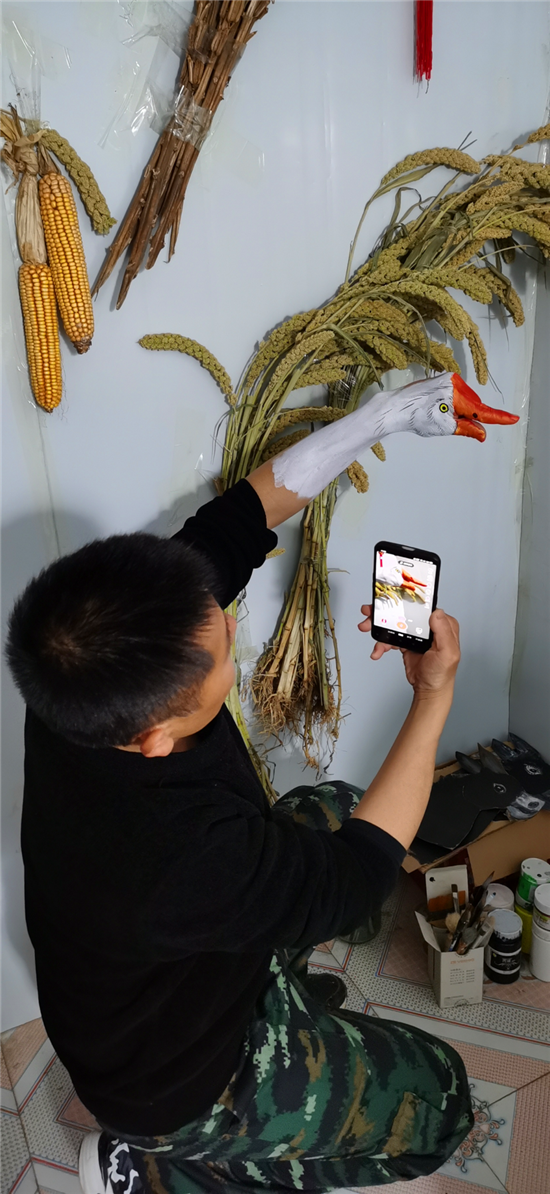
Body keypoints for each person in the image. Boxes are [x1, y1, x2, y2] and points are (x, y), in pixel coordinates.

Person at [6, 377, 473, 1194]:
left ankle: (270, 1006)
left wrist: (381, 419)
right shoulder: (180, 859)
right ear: (154, 738)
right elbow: (359, 875)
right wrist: (433, 696)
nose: (227, 618)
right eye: (222, 651)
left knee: (331, 806)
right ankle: (167, 1167)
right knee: (441, 1097)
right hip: (171, 1082)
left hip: (152, 975)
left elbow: (241, 519)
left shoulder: (83, 675)